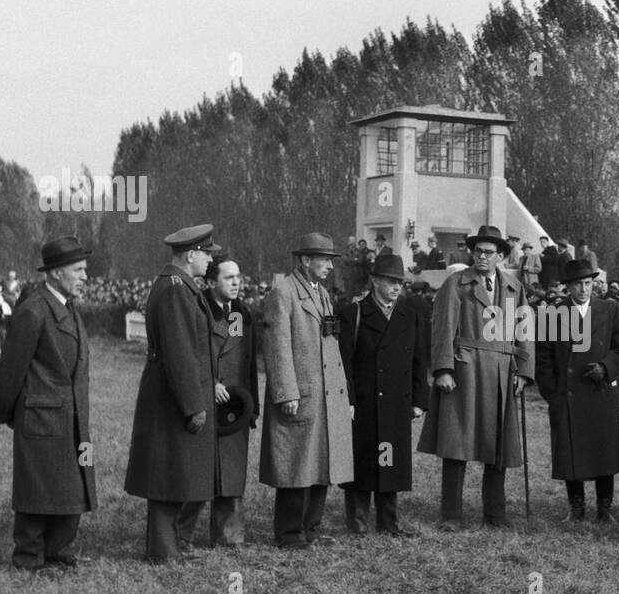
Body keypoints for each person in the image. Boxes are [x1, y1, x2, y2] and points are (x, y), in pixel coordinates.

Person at [417, 224, 534, 528]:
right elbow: (442, 328)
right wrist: (443, 369)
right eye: (478, 251)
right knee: (456, 445)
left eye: (489, 252)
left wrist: (524, 371)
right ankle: (451, 514)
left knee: (499, 444)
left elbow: (525, 332)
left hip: (502, 372)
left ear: (501, 256)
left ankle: (495, 514)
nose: (482, 256)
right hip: (465, 370)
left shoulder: (514, 287)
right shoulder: (456, 284)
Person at [0, 236, 95, 572]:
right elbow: (10, 369)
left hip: (69, 415)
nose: (85, 276)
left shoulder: (64, 305)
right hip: (41, 419)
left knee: (68, 486)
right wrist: (8, 413)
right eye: (78, 270)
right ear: (55, 273)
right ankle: (29, 557)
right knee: (38, 489)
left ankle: (58, 550)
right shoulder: (33, 310)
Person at [124, 225, 221, 562]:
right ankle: (164, 552)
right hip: (174, 399)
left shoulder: (178, 286)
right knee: (168, 475)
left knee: (174, 472)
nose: (210, 259)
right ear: (190, 254)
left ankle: (169, 548)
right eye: (206, 253)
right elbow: (180, 353)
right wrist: (194, 405)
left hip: (171, 396)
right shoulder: (177, 290)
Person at [259, 232, 354, 548]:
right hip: (302, 396)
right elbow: (278, 346)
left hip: (326, 396)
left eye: (330, 260)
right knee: (295, 465)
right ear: (304, 260)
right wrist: (286, 392)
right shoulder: (283, 293)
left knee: (321, 463)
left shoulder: (322, 294)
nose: (329, 265)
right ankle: (289, 533)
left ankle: (311, 528)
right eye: (324, 259)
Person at [536, 258, 619, 525]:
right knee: (570, 452)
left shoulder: (610, 310)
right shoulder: (552, 314)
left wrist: (606, 367)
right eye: (578, 284)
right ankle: (576, 507)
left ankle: (604, 507)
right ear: (568, 287)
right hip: (567, 395)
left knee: (604, 451)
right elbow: (543, 359)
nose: (584, 289)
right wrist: (553, 395)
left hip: (600, 392)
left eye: (588, 283)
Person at [338, 253, 429, 538]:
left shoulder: (409, 316)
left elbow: (419, 360)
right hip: (364, 403)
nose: (396, 287)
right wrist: (349, 400)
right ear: (374, 281)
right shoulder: (353, 314)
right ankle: (358, 524)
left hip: (396, 403)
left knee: (390, 460)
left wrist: (419, 400)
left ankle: (389, 523)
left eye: (399, 282)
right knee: (362, 463)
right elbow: (345, 362)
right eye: (390, 281)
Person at [175, 256, 259, 548]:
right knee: (199, 474)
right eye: (228, 278)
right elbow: (186, 355)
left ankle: (229, 537)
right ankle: (178, 535)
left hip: (235, 405)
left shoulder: (242, 313)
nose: (236, 282)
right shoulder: (197, 309)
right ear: (211, 282)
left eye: (238, 277)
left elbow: (245, 362)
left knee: (232, 472)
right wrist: (209, 383)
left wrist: (251, 407)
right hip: (204, 402)